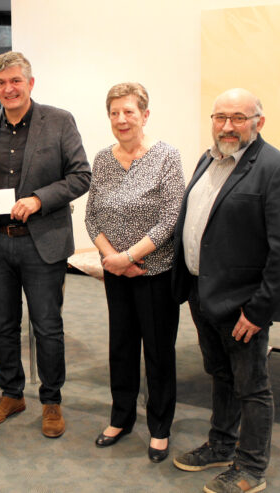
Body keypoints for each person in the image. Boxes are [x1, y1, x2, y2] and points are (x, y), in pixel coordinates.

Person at [171, 88, 280, 493]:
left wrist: (260, 310)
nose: (227, 126)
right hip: (202, 293)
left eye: (238, 118)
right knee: (220, 376)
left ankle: (250, 467)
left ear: (258, 122)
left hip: (243, 303)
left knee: (252, 387)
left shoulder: (278, 168)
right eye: (219, 117)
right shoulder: (208, 159)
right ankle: (221, 444)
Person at [0, 52, 91, 438]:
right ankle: (12, 394)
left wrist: (38, 198)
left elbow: (80, 175)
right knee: (3, 328)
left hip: (42, 245)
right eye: (1, 83)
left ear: (30, 83)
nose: (9, 89)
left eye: (16, 81)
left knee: (47, 328)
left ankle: (51, 400)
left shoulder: (59, 120)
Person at [85, 83, 184, 462]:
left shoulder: (166, 157)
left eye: (129, 112)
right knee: (121, 347)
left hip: (154, 271)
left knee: (158, 351)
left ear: (145, 115)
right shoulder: (103, 159)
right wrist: (112, 258)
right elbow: (93, 216)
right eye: (114, 113)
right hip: (116, 272)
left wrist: (129, 256)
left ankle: (160, 427)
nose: (121, 120)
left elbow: (171, 218)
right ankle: (121, 417)